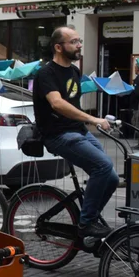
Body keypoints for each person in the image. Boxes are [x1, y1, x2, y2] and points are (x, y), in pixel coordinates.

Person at [31, 26, 118, 238]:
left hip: (77, 131)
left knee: (112, 178)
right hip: (58, 135)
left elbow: (72, 104)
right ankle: (86, 223)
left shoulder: (74, 71)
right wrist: (93, 119)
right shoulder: (46, 73)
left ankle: (90, 216)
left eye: (80, 41)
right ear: (58, 47)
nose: (79, 45)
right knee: (102, 166)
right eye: (74, 42)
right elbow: (58, 104)